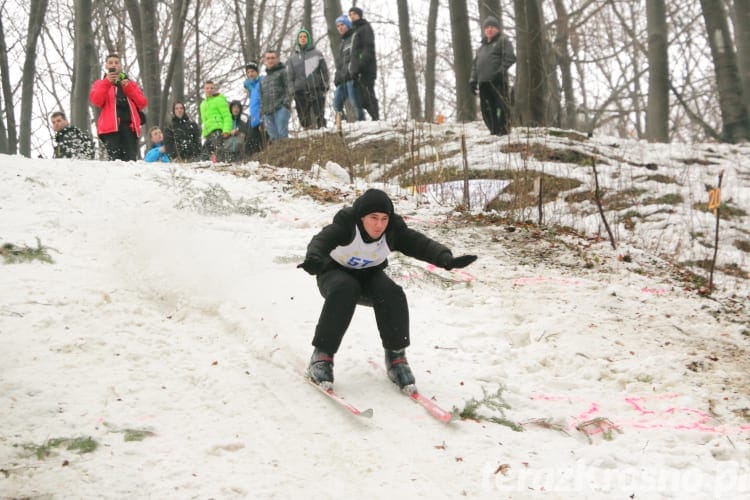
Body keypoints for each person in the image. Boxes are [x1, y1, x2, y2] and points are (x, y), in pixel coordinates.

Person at [297, 189, 477, 389]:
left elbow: (420, 244)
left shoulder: (392, 231)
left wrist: (445, 259)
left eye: (384, 218)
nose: (379, 225)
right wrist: (314, 258)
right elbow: (321, 240)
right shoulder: (346, 225)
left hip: (368, 275)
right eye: (373, 218)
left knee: (393, 294)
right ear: (361, 217)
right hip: (334, 274)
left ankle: (396, 358)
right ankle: (321, 356)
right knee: (345, 288)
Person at [89, 53, 148, 161]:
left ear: (120, 66)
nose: (114, 65)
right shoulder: (100, 83)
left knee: (130, 159)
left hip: (130, 127)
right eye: (110, 63)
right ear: (106, 66)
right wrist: (107, 82)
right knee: (114, 160)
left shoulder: (130, 83)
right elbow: (96, 101)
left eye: (116, 63)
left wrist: (128, 87)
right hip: (110, 128)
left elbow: (142, 102)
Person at [469, 16, 516, 136]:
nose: (489, 30)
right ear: (484, 30)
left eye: (492, 27)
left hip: (498, 82)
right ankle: (493, 131)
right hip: (483, 83)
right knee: (486, 110)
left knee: (500, 108)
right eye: (487, 27)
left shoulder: (503, 41)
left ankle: (503, 131)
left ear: (497, 29)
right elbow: (475, 65)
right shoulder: (481, 48)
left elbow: (510, 57)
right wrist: (473, 80)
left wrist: (501, 72)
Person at [288, 28, 330, 129]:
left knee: (319, 115)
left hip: (316, 88)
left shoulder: (317, 53)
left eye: (305, 37)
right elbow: (290, 76)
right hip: (300, 91)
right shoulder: (292, 58)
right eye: (300, 37)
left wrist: (325, 84)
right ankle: (308, 135)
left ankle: (324, 134)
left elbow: (324, 71)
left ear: (308, 39)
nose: (303, 38)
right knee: (303, 118)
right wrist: (292, 89)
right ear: (298, 39)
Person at [332, 14, 365, 123]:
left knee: (355, 103)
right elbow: (339, 64)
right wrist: (337, 76)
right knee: (336, 103)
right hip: (342, 79)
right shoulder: (341, 44)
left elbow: (357, 57)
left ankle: (362, 123)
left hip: (352, 77)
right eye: (338, 26)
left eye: (342, 25)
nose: (340, 28)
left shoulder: (355, 37)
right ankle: (342, 124)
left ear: (348, 25)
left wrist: (354, 72)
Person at [348, 7, 379, 121]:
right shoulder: (356, 30)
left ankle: (376, 118)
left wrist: (360, 66)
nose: (352, 16)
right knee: (362, 97)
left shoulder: (365, 28)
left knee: (368, 94)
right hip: (359, 69)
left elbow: (368, 49)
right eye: (350, 14)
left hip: (367, 68)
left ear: (360, 15)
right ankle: (374, 118)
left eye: (354, 14)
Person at [260, 50, 291, 141]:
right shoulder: (264, 79)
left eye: (273, 58)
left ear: (277, 59)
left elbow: (289, 88)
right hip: (267, 112)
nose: (270, 60)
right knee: (273, 138)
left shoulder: (283, 72)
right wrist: (262, 110)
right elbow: (261, 96)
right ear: (265, 61)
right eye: (268, 58)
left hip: (280, 108)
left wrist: (285, 103)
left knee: (282, 135)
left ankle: (287, 154)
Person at [199, 80, 232, 161]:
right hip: (208, 131)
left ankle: (223, 162)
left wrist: (226, 129)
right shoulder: (203, 104)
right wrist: (204, 132)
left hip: (217, 128)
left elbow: (227, 116)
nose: (209, 90)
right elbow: (204, 120)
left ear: (214, 89)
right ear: (204, 90)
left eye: (211, 88)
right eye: (207, 88)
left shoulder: (219, 100)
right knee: (205, 152)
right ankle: (203, 165)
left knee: (218, 148)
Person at [242, 62, 268, 155]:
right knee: (251, 144)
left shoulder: (262, 82)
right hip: (254, 118)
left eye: (252, 71)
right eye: (248, 72)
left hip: (263, 116)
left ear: (257, 72)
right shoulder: (251, 86)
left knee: (265, 141)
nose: (250, 74)